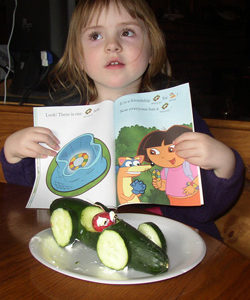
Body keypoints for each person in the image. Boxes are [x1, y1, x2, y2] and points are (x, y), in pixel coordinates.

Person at [0, 0, 244, 240]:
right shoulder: (63, 119)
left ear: (152, 49)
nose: (112, 45)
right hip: (87, 246)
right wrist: (14, 155)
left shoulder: (178, 119)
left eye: (127, 32)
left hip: (170, 244)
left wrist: (225, 166)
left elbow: (206, 209)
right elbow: (39, 197)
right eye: (96, 36)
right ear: (79, 56)